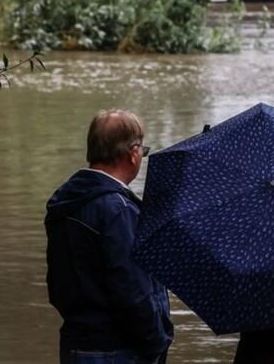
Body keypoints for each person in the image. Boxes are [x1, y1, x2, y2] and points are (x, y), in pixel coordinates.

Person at [45, 109, 173, 364]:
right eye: (142, 150)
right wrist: (157, 342)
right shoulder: (117, 210)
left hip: (76, 344)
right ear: (133, 153)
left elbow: (57, 283)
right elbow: (132, 290)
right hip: (118, 350)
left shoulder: (66, 201)